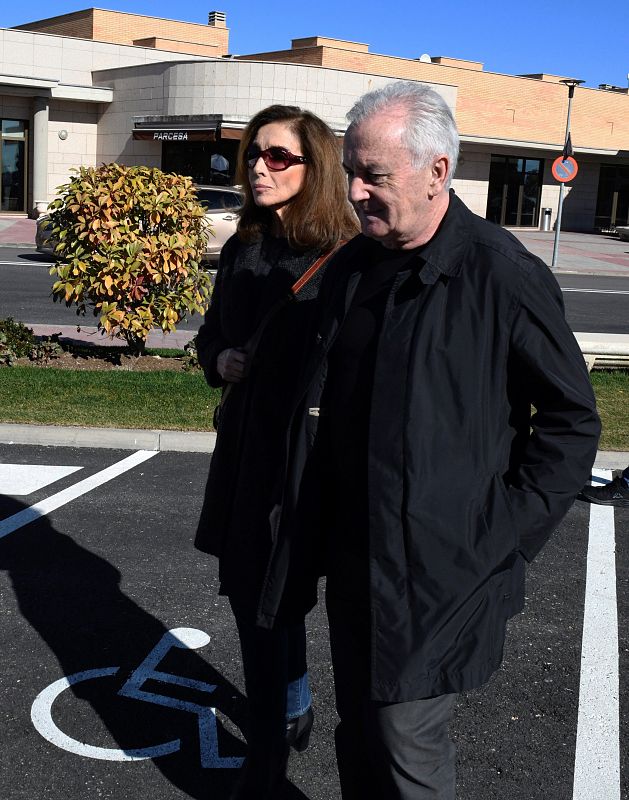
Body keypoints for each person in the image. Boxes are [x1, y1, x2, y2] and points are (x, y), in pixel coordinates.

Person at [275, 81, 601, 799]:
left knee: (404, 740)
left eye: (374, 176)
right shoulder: (354, 267)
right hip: (354, 558)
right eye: (351, 172)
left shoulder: (501, 275)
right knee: (358, 729)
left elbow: (573, 422)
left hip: (440, 572)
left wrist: (503, 535)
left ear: (437, 172)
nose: (355, 191)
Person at [194, 104, 358, 799]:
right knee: (255, 602)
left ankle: (267, 766)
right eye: (253, 154)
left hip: (311, 465)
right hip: (244, 455)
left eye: (279, 156)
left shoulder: (346, 256)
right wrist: (221, 356)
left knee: (277, 602)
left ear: (313, 165)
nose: (259, 167)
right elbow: (209, 334)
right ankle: (286, 710)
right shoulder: (242, 247)